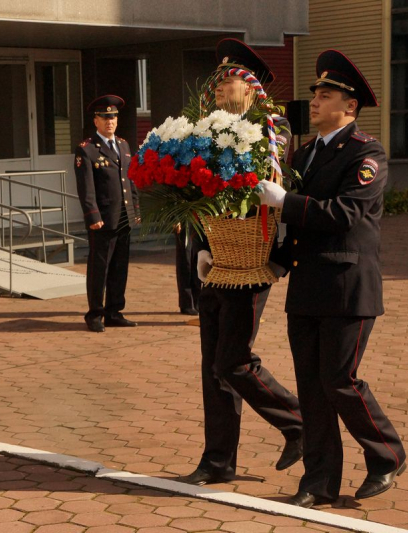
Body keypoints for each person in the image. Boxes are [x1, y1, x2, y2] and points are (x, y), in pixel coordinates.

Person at [258, 50, 407, 507]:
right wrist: (274, 260)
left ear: (350, 106)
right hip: (307, 286)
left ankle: (386, 454)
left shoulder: (366, 152)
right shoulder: (305, 152)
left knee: (340, 380)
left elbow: (346, 214)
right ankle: (318, 482)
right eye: (316, 94)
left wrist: (286, 202)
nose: (317, 101)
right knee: (312, 388)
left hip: (347, 286)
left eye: (327, 94)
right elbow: (299, 225)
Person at [179, 38, 303, 486]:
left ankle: (297, 422)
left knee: (232, 359)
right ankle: (217, 461)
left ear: (251, 89)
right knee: (213, 364)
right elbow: (200, 192)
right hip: (218, 256)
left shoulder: (275, 127)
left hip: (253, 259)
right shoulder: (206, 128)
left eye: (228, 80)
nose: (218, 87)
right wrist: (202, 243)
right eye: (217, 80)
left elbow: (254, 180)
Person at [75, 95, 140, 333]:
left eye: (113, 117)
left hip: (123, 217)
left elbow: (129, 180)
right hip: (103, 219)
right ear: (96, 121)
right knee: (99, 269)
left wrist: (135, 209)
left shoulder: (123, 145)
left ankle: (114, 312)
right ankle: (95, 314)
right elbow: (86, 188)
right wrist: (92, 215)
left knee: (119, 268)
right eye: (105, 117)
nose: (110, 121)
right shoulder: (88, 150)